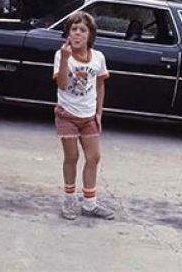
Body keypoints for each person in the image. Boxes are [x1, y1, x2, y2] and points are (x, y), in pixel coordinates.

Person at [53, 11, 114, 220]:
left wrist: (99, 113)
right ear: (68, 34)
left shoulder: (98, 57)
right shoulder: (62, 55)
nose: (77, 34)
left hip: (89, 117)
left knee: (94, 157)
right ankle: (69, 199)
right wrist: (64, 59)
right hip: (67, 115)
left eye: (82, 30)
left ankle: (90, 204)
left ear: (90, 35)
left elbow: (100, 84)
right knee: (72, 157)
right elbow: (61, 84)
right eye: (74, 29)